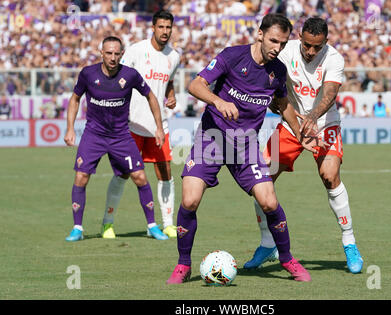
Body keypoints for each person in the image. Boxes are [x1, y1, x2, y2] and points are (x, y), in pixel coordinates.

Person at [166, 13, 326, 284]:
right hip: (212, 138)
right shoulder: (232, 56)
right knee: (190, 201)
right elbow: (195, 85)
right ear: (260, 34)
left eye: (283, 43)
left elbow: (283, 103)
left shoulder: (278, 71)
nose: (277, 47)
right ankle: (183, 265)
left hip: (245, 145)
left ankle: (286, 258)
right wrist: (218, 101)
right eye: (274, 40)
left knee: (269, 201)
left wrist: (300, 135)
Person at [243, 17, 364, 274]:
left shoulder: (334, 58)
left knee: (329, 176)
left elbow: (330, 94)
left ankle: (349, 241)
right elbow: (269, 83)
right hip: (291, 125)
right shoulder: (285, 52)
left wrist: (312, 117)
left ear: (325, 43)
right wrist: (274, 103)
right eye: (307, 45)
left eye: (316, 47)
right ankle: (267, 244)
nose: (310, 52)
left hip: (325, 125)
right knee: (261, 179)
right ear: (300, 37)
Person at [64, 36, 168, 241]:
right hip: (94, 135)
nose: (112, 57)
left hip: (121, 136)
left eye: (116, 53)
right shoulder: (88, 73)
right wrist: (70, 128)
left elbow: (151, 96)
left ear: (122, 54)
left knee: (140, 177)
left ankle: (153, 226)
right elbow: (75, 99)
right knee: (81, 177)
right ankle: (77, 228)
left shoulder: (130, 75)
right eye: (108, 53)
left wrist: (158, 126)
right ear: (101, 52)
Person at [101, 10, 181, 240]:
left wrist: (171, 95)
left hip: (159, 125)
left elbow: (169, 80)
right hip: (131, 124)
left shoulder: (174, 56)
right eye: (161, 27)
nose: (165, 31)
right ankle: (108, 222)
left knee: (165, 172)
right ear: (153, 28)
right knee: (123, 174)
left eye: (168, 27)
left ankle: (167, 224)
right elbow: (117, 77)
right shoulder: (136, 51)